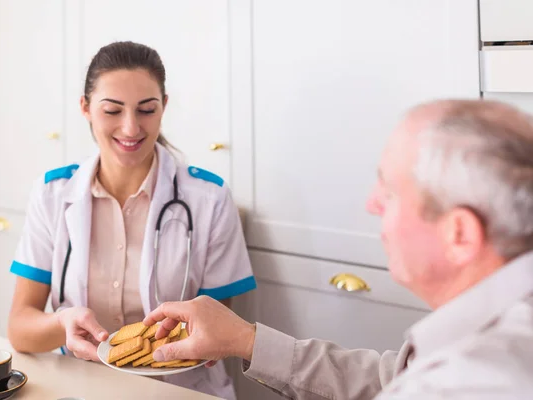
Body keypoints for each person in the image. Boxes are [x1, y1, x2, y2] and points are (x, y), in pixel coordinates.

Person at [144, 99, 533, 399]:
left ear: (460, 234)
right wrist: (245, 339)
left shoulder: (477, 381)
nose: (371, 204)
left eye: (390, 192)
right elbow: (389, 380)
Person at [6, 41, 256, 400]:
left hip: (177, 391)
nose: (130, 127)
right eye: (112, 110)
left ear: (164, 107)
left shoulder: (209, 198)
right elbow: (19, 328)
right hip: (80, 386)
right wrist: (61, 324)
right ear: (86, 108)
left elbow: (219, 332)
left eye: (146, 110)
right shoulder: (52, 193)